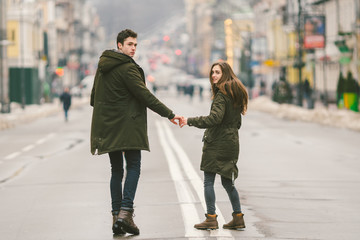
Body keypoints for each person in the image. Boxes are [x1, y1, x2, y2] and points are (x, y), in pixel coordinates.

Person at [90, 29, 181, 236]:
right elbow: (145, 96)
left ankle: (116, 217)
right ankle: (126, 213)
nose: (133, 48)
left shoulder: (103, 66)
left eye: (135, 45)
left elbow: (94, 97)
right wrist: (169, 114)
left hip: (109, 126)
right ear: (119, 45)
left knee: (116, 170)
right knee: (133, 166)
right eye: (130, 44)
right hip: (129, 126)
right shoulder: (127, 69)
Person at [179, 61, 248, 230]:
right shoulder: (236, 93)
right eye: (213, 73)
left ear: (225, 74)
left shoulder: (222, 95)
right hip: (231, 142)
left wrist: (189, 121)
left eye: (217, 72)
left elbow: (214, 119)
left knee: (208, 181)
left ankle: (211, 218)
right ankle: (238, 217)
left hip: (217, 143)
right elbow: (237, 122)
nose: (214, 76)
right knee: (228, 182)